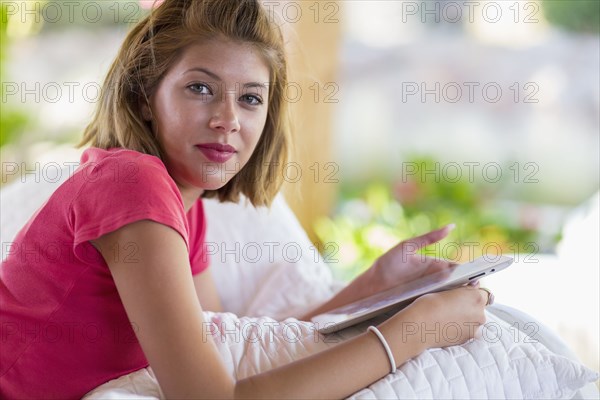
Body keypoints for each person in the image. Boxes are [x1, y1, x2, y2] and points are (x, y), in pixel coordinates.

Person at [0, 0, 491, 398]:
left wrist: (373, 285)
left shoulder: (181, 206)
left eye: (250, 98)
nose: (228, 118)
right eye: (200, 88)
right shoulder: (132, 185)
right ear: (146, 97)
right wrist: (413, 331)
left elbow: (218, 341)